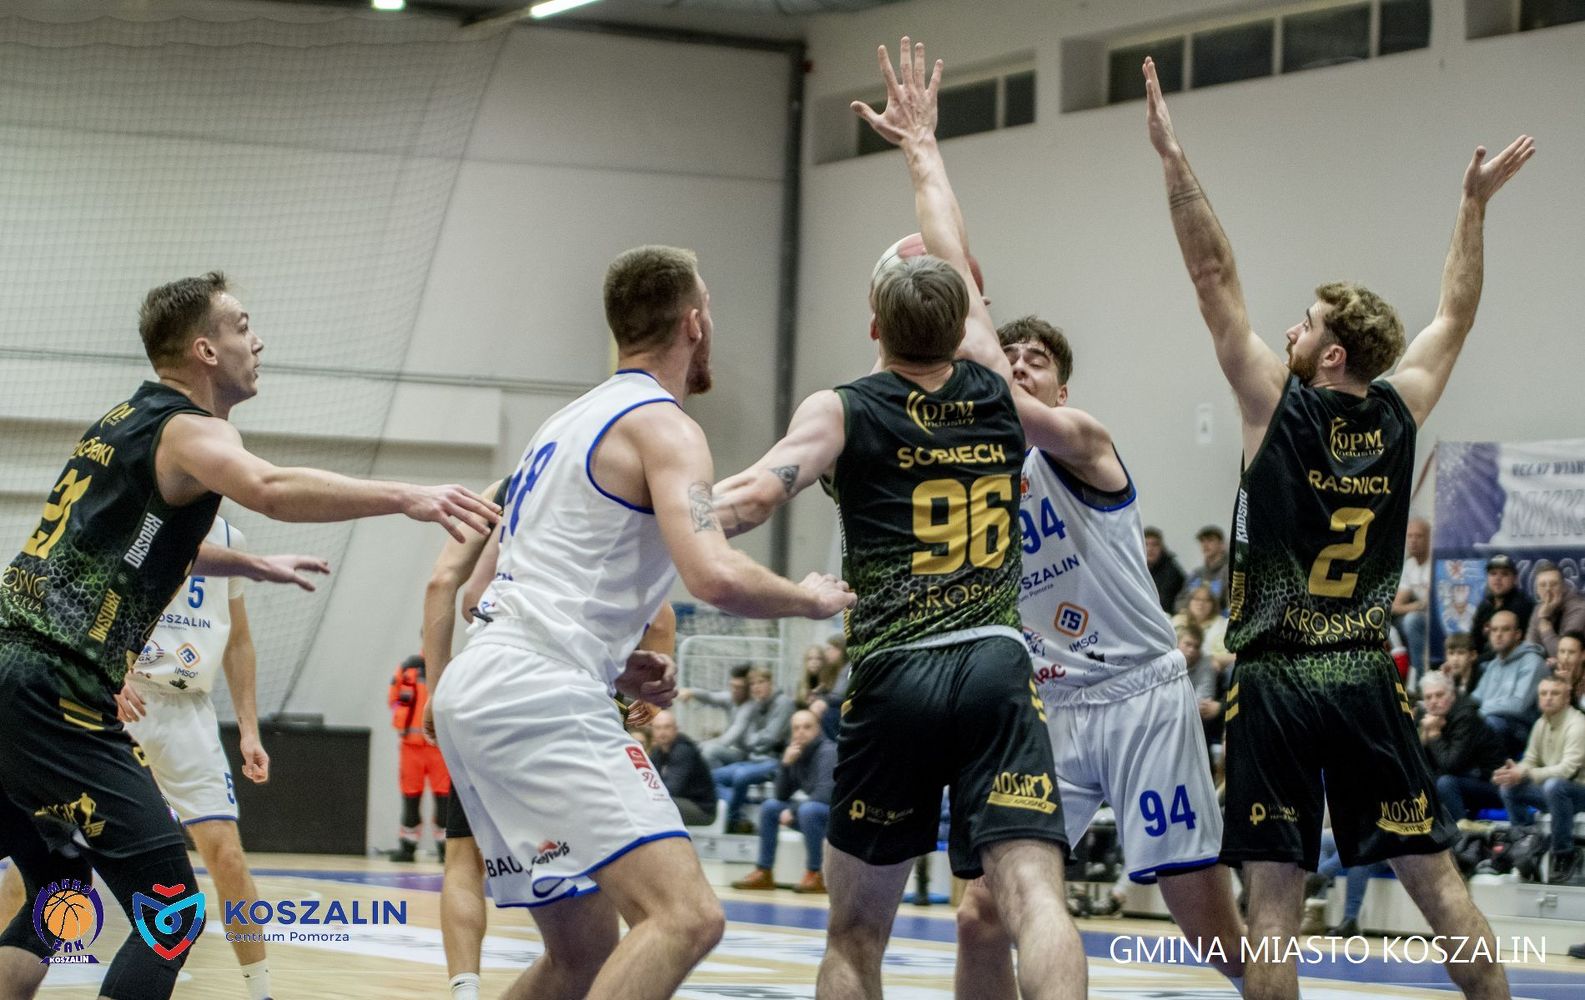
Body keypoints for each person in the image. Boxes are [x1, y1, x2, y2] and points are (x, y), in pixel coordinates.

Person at [1144, 55, 1533, 999]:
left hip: (1278, 679)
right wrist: (1471, 208)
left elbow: (1208, 272)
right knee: (1438, 887)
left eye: (1304, 322)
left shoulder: (1273, 403)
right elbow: (1455, 315)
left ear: (1329, 353)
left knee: (1274, 910)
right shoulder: (1399, 409)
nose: (1288, 328)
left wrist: (1172, 159)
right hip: (1362, 675)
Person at [0, 271, 497, 1000]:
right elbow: (270, 488)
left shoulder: (123, 421)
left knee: (57, 891)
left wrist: (250, 564)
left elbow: (133, 542)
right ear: (204, 350)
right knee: (170, 914)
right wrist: (408, 495)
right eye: (240, 326)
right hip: (56, 689)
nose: (256, 341)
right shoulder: (193, 430)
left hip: (13, 675)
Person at [713, 40, 1084, 1000]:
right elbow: (951, 247)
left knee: (854, 934)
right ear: (967, 324)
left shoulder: (841, 409)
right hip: (996, 666)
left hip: (893, 677)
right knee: (1037, 902)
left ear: (873, 326)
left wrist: (654, 511)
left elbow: (751, 499)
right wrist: (921, 146)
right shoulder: (999, 389)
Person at [429, 245, 855, 1000]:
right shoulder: (665, 428)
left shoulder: (562, 426)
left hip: (484, 684)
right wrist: (807, 598)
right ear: (694, 323)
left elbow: (481, 590)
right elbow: (713, 573)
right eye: (710, 311)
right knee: (685, 917)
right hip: (539, 695)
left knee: (583, 955)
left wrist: (610, 655)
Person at [952, 314, 1249, 998]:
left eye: (1034, 359)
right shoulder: (970, 481)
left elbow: (1001, 393)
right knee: (981, 913)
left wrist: (967, 300)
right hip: (1050, 708)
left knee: (1210, 930)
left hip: (1139, 695)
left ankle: (1262, 984)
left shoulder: (1080, 441)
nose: (1017, 364)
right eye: (1008, 354)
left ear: (1060, 392)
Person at [417, 480, 678, 1000]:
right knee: (670, 914)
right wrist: (649, 683)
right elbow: (662, 617)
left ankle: (464, 988)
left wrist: (437, 686)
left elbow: (452, 587)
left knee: (465, 860)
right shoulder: (605, 484)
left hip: (479, 688)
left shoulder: (509, 485)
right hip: (558, 698)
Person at [730, 709, 838, 893]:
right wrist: (786, 765)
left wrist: (793, 810)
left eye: (807, 727)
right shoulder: (795, 751)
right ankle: (764, 872)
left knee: (808, 810)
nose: (800, 732)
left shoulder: (828, 752)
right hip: (813, 814)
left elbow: (825, 795)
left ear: (818, 729)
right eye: (796, 728)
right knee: (770, 807)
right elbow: (780, 795)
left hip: (837, 818)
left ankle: (816, 874)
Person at [1493, 675, 1585, 884]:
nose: (1548, 698)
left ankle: (1564, 853)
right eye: (1544, 693)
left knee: (1554, 786)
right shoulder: (1541, 723)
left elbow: (1568, 770)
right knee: (1509, 787)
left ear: (1567, 697)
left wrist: (1527, 773)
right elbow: (1530, 759)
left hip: (1579, 792)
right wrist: (1515, 771)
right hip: (1557, 793)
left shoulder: (1578, 724)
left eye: (1555, 693)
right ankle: (1525, 844)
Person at [712, 666, 796, 833]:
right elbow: (749, 739)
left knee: (741, 776)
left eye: (761, 682)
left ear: (770, 683)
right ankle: (740, 812)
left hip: (776, 760)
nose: (756, 687)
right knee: (712, 777)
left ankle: (732, 819)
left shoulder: (783, 703)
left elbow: (770, 737)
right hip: (754, 759)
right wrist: (754, 741)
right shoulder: (755, 704)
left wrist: (752, 740)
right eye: (752, 684)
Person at [1419, 671, 1507, 822]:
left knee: (1445, 783)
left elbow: (1450, 765)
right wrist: (1424, 737)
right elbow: (1416, 764)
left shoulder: (1466, 717)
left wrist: (1434, 734)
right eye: (1428, 697)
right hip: (1465, 778)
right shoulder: (1428, 717)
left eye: (1439, 695)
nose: (1433, 701)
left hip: (1491, 784)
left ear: (1452, 695)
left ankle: (1461, 832)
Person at [389, 652, 449, 863]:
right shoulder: (408, 668)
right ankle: (408, 847)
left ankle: (446, 849)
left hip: (438, 747)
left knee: (444, 799)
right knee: (411, 798)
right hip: (412, 747)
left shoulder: (448, 667)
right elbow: (393, 699)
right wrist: (402, 718)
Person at [1471, 610, 1551, 756]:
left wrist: (1479, 713)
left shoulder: (1533, 661)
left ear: (1518, 634)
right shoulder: (1493, 665)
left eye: (1505, 629)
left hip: (1523, 731)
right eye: (1494, 630)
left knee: (1490, 723)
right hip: (1492, 723)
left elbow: (1518, 706)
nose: (1498, 634)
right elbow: (1475, 698)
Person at [648, 709, 717, 827]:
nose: (662, 732)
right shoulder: (658, 752)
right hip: (679, 801)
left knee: (658, 805)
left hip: (701, 809)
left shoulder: (683, 750)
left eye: (667, 727)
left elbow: (671, 789)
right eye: (658, 728)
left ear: (676, 729)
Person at [680, 663, 756, 767]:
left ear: (748, 689)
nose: (734, 690)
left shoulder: (750, 707)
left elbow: (730, 738)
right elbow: (710, 697)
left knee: (709, 751)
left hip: (745, 753)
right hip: (732, 749)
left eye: (739, 687)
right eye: (732, 686)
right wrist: (691, 692)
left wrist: (700, 745)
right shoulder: (731, 698)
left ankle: (716, 777)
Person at [1471, 555, 1534, 659]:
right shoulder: (1485, 604)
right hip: (1482, 660)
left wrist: (1475, 660)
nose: (1498, 578)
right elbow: (1473, 640)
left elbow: (1512, 647)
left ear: (1515, 579)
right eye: (1493, 574)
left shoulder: (1522, 606)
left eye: (1504, 574)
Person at [1394, 516, 1433, 679]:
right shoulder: (1410, 565)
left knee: (1412, 620)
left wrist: (1419, 607)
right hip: (1419, 615)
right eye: (1410, 536)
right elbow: (1395, 606)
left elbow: (1433, 603)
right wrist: (1418, 605)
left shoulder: (1434, 562)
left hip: (1434, 618)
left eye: (1418, 536)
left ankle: (1420, 678)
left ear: (1428, 538)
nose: (1413, 541)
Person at [1525, 562, 1585, 659]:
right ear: (1537, 591)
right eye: (1542, 585)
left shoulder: (1580, 608)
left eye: (1553, 584)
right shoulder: (1539, 609)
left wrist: (1544, 621)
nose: (1548, 589)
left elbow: (1563, 655)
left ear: (1564, 587)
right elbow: (1530, 648)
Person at [1172, 583, 1234, 671]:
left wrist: (1213, 661)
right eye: (1197, 599)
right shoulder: (1177, 622)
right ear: (1189, 602)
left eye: (1206, 600)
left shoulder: (1222, 624)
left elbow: (1232, 656)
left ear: (1213, 604)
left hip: (1215, 670)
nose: (1201, 603)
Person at [1178, 525, 1231, 611]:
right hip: (1192, 616)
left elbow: (1230, 604)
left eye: (1210, 540)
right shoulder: (1196, 573)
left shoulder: (1230, 571)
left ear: (1222, 545)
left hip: (1219, 617)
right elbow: (1180, 601)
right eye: (1202, 541)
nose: (1205, 545)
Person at [1144, 526, 1187, 614]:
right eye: (1146, 545)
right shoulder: (1135, 568)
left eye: (1154, 545)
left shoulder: (1171, 572)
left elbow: (1164, 602)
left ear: (1162, 548)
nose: (1150, 549)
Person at [1443, 632, 1484, 698]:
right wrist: (1446, 679)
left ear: (1473, 655)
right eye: (1451, 653)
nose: (1455, 659)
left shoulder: (1482, 679)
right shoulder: (1453, 679)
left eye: (1461, 653)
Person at [1556, 632, 1585, 710]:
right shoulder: (1553, 674)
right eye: (1562, 651)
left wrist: (1568, 686)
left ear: (1583, 655)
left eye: (1571, 652)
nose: (1565, 657)